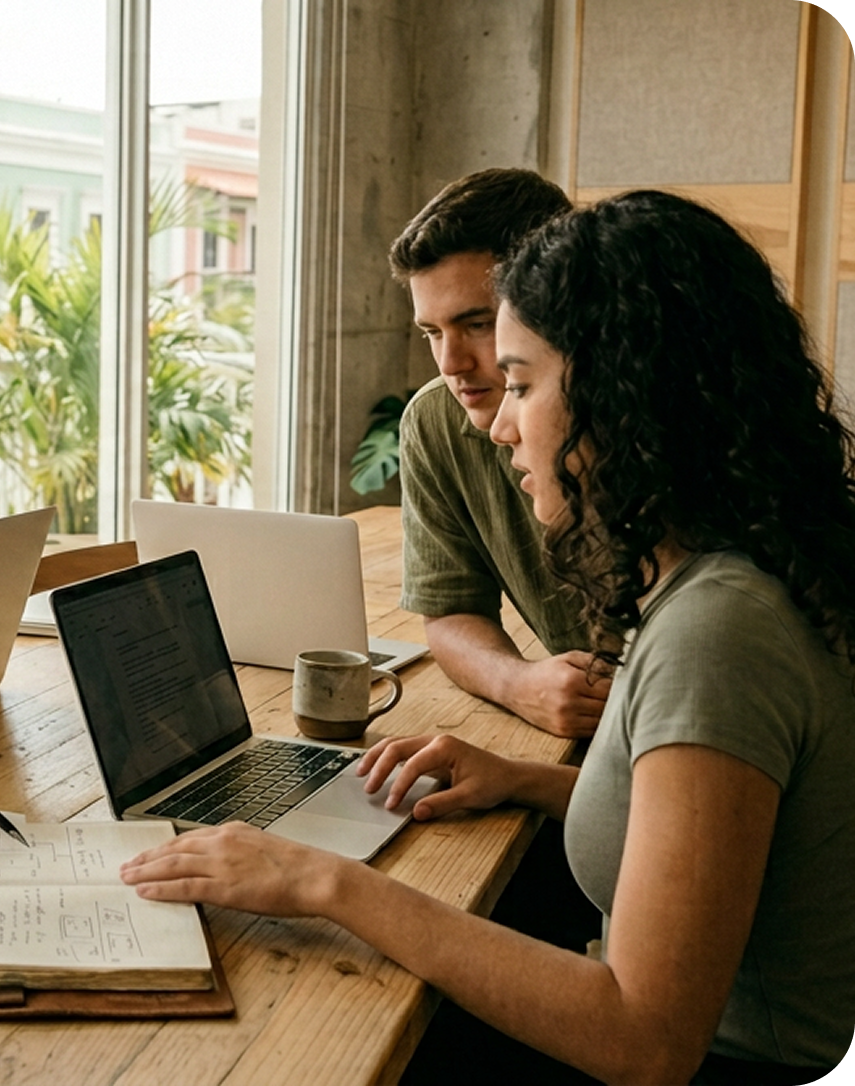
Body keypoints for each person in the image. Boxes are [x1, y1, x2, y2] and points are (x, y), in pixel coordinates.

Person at [123, 190, 855, 1083]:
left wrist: (324, 881)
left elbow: (646, 1041)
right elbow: (717, 819)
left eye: (522, 382)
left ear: (624, 389)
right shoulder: (741, 572)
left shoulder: (717, 632)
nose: (501, 423)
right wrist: (522, 779)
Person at [390, 169, 607, 740]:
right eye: (431, 332)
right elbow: (450, 611)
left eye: (477, 324)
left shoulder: (635, 421)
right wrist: (520, 684)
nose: (450, 363)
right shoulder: (436, 419)